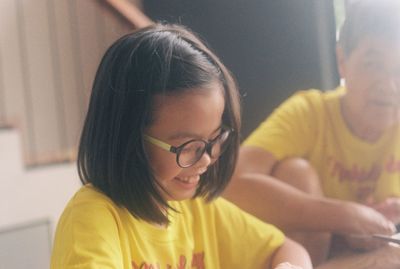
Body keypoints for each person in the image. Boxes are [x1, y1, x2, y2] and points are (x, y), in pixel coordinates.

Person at [50, 24, 312, 269]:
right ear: (128, 140)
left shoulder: (198, 210)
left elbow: (287, 249)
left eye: (215, 139)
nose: (206, 159)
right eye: (188, 146)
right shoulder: (91, 219)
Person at [224, 0, 400, 268]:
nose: (388, 85)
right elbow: (231, 183)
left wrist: (376, 221)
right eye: (373, 64)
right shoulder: (310, 113)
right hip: (302, 258)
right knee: (295, 172)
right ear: (342, 61)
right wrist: (345, 216)